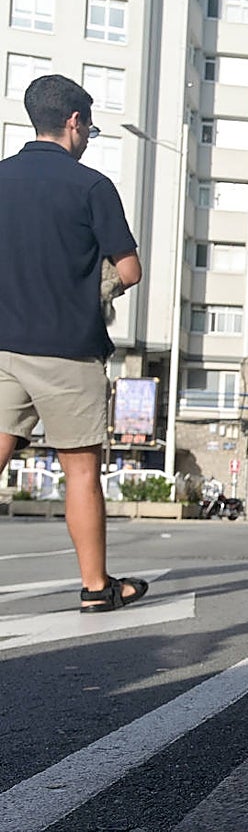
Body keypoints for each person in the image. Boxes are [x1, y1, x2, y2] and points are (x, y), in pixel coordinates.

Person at [0, 75, 145, 611]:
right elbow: (129, 270)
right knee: (80, 470)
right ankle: (94, 589)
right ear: (75, 122)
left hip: (2, 346)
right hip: (68, 349)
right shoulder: (91, 186)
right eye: (91, 127)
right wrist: (95, 286)